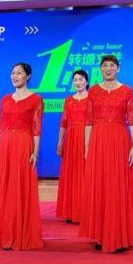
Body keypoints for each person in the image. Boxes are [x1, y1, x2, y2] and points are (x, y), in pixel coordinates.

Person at [79, 55, 133, 253]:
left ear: (118, 68)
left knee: (117, 184)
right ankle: (101, 233)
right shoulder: (94, 91)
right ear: (100, 69)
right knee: (101, 184)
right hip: (98, 140)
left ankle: (118, 235)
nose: (108, 68)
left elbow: (132, 120)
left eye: (112, 65)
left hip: (119, 140)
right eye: (105, 65)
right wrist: (87, 146)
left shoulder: (127, 90)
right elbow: (88, 121)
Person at [0, 63, 43, 250]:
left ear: (28, 76)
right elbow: (0, 126)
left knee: (19, 186)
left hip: (23, 143)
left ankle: (18, 232)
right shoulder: (5, 99)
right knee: (3, 185)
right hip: (5, 144)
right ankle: (3, 231)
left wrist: (35, 152)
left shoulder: (36, 99)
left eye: (19, 73)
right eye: (13, 73)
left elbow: (37, 128)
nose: (15, 76)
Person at [56, 70, 89, 223]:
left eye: (81, 79)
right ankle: (71, 211)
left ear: (87, 82)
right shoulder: (69, 100)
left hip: (87, 137)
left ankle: (85, 211)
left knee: (85, 173)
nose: (78, 82)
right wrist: (60, 142)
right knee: (71, 173)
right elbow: (64, 122)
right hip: (71, 139)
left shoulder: (92, 99)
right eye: (75, 80)